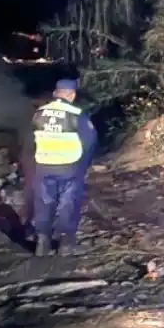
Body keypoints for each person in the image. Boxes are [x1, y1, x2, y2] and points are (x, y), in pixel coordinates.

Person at [24, 79, 98, 257]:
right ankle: (65, 244)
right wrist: (84, 165)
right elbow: (89, 141)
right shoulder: (76, 114)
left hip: (43, 166)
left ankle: (42, 241)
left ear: (55, 93)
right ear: (71, 95)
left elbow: (30, 140)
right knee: (68, 203)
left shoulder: (39, 113)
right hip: (69, 167)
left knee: (43, 201)